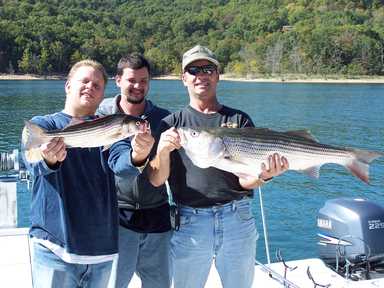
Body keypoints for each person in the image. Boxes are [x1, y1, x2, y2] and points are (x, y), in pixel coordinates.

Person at [148, 45, 290, 288]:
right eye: (193, 70)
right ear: (184, 78)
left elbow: (246, 181)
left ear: (217, 75)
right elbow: (157, 180)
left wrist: (264, 176)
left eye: (208, 69)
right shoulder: (171, 124)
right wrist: (162, 150)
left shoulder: (239, 120)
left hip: (237, 218)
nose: (201, 75)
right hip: (190, 222)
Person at [23, 60, 135, 288]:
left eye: (97, 85)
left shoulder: (112, 129)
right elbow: (32, 161)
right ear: (68, 86)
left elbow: (124, 166)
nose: (90, 87)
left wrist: (139, 154)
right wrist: (48, 159)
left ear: (103, 93)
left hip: (101, 253)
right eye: (84, 81)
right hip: (54, 248)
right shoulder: (42, 125)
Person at [98, 53, 172, 288]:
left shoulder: (163, 119)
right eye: (132, 80)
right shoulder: (100, 115)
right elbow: (112, 164)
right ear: (118, 80)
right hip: (117, 218)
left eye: (144, 80)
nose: (138, 86)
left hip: (157, 217)